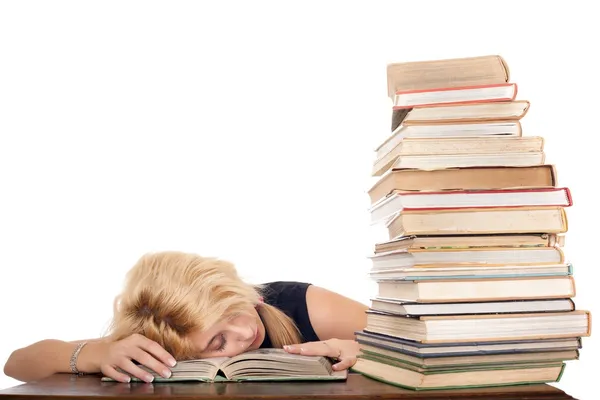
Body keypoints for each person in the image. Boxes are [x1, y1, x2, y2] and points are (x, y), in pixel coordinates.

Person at [3, 251, 368, 383]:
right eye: (217, 342)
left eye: (233, 308)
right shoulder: (159, 344)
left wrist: (364, 349)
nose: (244, 330)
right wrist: (94, 354)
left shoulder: (303, 303)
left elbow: (421, 340)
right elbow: (17, 364)